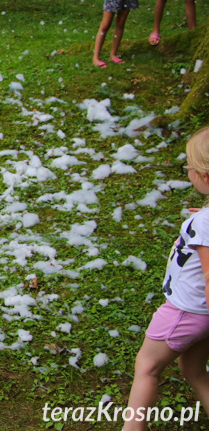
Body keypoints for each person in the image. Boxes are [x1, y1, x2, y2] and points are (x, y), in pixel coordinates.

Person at [122, 126, 209, 430]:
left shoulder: (205, 224)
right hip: (202, 315)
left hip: (186, 311)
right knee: (194, 369)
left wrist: (201, 224)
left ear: (205, 177)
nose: (188, 172)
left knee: (146, 367)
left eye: (190, 167)